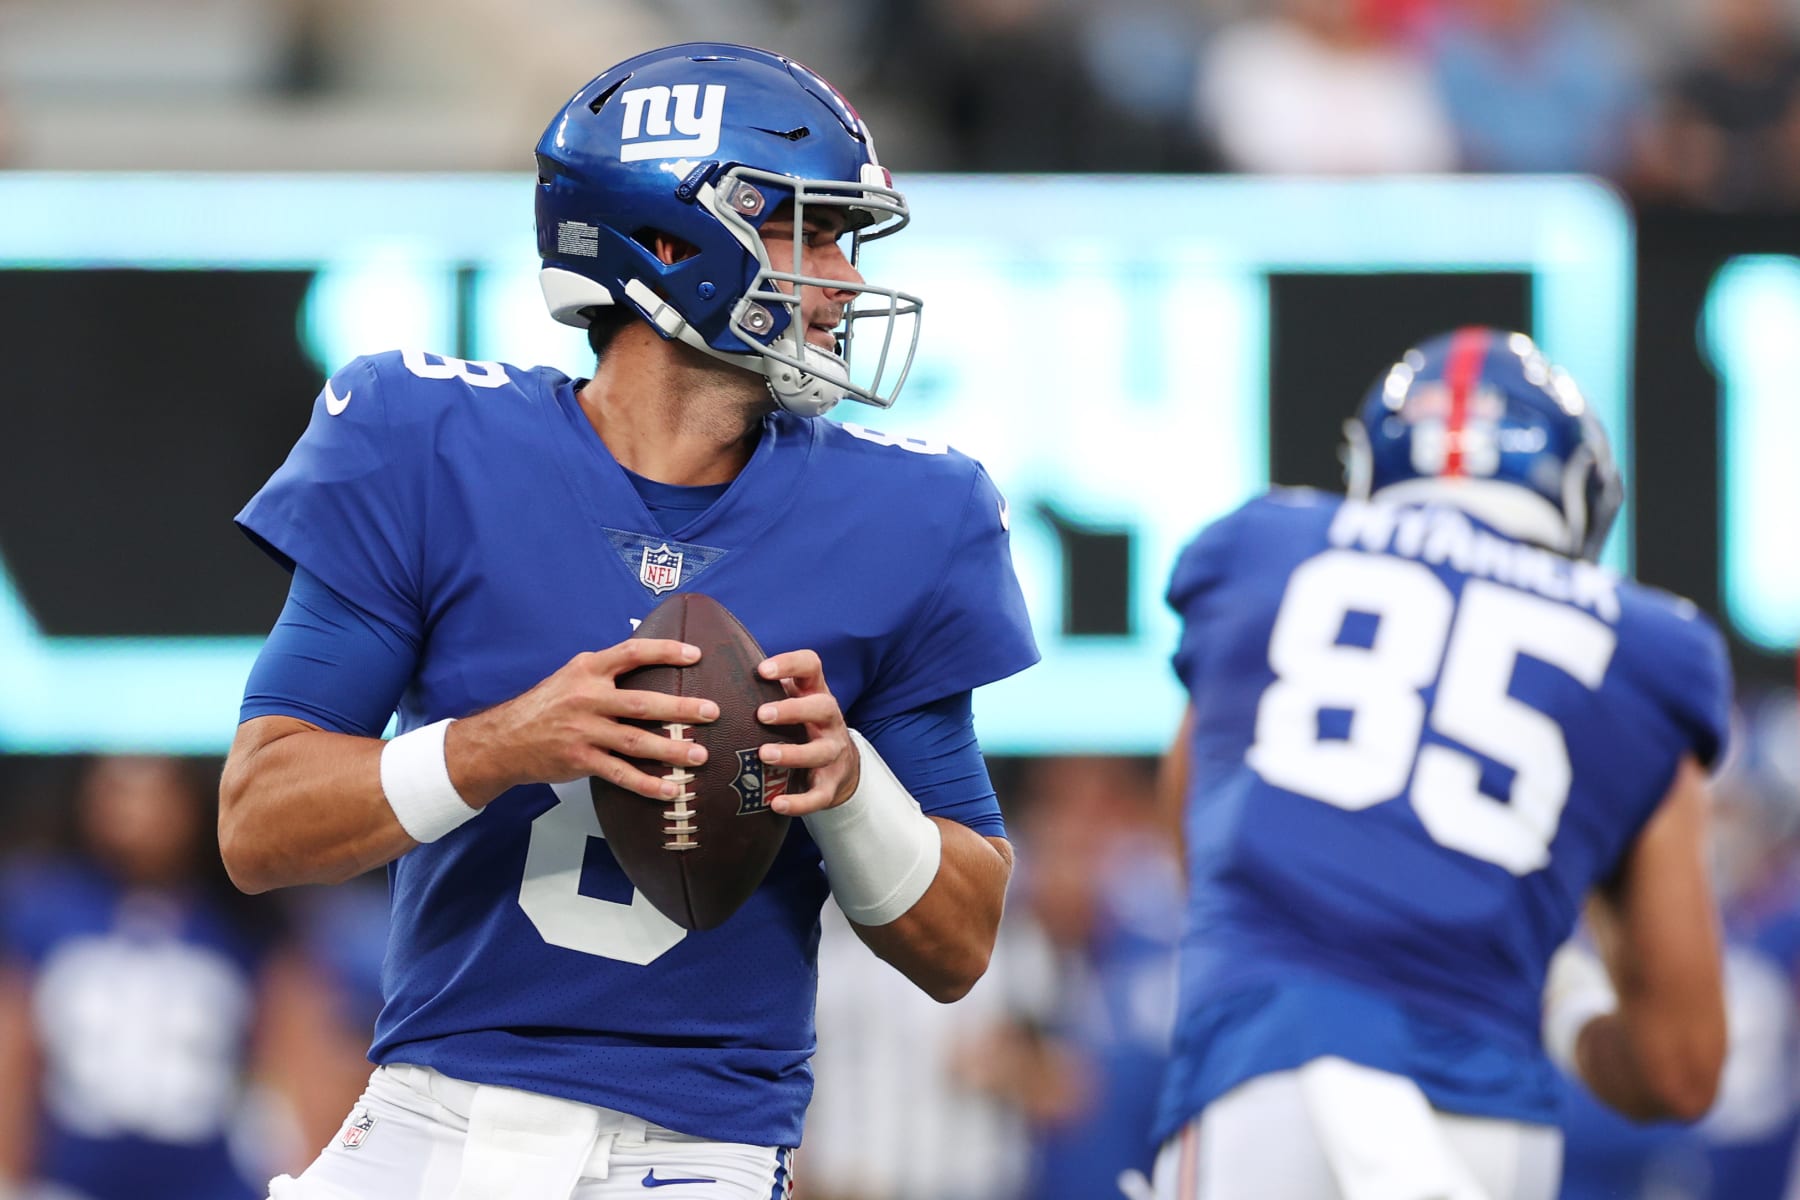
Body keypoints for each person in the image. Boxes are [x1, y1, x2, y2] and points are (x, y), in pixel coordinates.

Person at [217, 40, 1038, 1200]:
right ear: (669, 239)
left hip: (695, 1155)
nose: (846, 282)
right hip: (425, 1127)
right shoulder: (425, 439)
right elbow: (258, 825)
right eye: (811, 232)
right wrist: (497, 745)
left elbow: (961, 945)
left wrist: (851, 789)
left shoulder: (913, 513)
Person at [1147, 328, 1731, 1199]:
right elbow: (1678, 1067)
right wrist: (1563, 999)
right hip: (1487, 1120)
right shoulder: (1649, 649)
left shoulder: (1261, 550)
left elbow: (1200, 838)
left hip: (1269, 1076)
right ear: (1578, 493)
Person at [0, 755, 339, 1200]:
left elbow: (300, 1054)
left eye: (159, 792)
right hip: (71, 1179)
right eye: (121, 792)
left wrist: (313, 1176)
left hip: (210, 1180)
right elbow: (15, 1052)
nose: (139, 813)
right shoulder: (44, 907)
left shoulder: (244, 917)